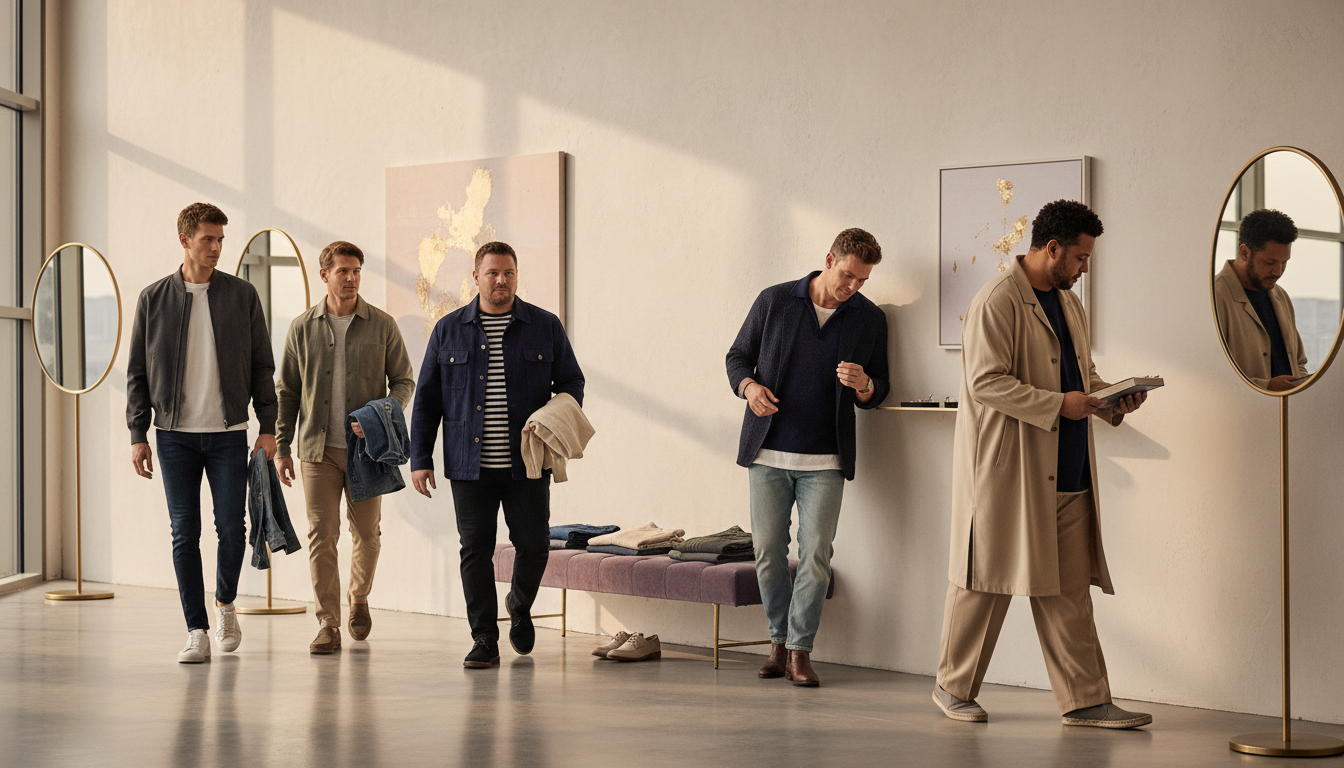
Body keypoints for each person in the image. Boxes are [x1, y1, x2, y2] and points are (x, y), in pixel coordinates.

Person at [933, 200, 1151, 728]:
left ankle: (1085, 699)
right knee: (984, 580)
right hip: (1011, 471)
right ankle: (951, 685)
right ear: (1050, 248)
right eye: (1078, 257)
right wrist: (1060, 405)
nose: (1082, 268)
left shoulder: (1069, 304)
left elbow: (1084, 376)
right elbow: (985, 382)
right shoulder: (997, 301)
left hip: (1070, 469)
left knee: (1070, 589)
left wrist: (1112, 401)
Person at [725, 228, 890, 687]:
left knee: (816, 555)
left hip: (826, 460)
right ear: (829, 259)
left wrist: (864, 384)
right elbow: (737, 358)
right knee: (767, 554)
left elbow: (880, 390)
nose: (852, 286)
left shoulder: (868, 319)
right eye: (847, 275)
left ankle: (800, 650)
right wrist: (750, 388)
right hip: (768, 451)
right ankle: (777, 642)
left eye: (862, 280)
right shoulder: (775, 301)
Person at [409, 241, 584, 669]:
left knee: (535, 545)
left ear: (516, 276)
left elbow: (572, 385)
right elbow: (427, 400)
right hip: (469, 467)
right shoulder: (448, 330)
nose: (501, 280)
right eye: (492, 273)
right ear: (476, 277)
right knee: (475, 549)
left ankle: (519, 605)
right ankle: (484, 637)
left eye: (508, 273)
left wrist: (549, 418)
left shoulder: (544, 326)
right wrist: (420, 458)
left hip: (527, 461)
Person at [126, 202, 277, 663]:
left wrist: (269, 427)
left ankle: (225, 602)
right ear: (185, 240)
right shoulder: (153, 299)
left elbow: (261, 366)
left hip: (229, 431)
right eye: (207, 239)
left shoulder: (242, 295)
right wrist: (138, 433)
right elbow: (137, 372)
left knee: (234, 528)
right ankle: (196, 629)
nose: (215, 248)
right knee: (183, 532)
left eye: (220, 240)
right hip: (174, 435)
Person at [275, 241, 415, 654]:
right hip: (316, 450)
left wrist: (378, 417)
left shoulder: (382, 325)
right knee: (322, 535)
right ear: (325, 275)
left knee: (367, 534)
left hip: (366, 451)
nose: (351, 278)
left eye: (356, 270)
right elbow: (286, 391)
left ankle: (359, 596)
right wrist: (282, 446)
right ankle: (327, 624)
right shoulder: (301, 328)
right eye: (343, 271)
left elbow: (404, 381)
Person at [1213, 208, 1307, 391]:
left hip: (1288, 413)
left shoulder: (1281, 296)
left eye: (1284, 262)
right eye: (1270, 262)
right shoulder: (1215, 297)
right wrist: (1266, 387)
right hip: (1243, 416)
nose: (1278, 272)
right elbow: (1210, 376)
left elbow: (1299, 361)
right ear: (1245, 253)